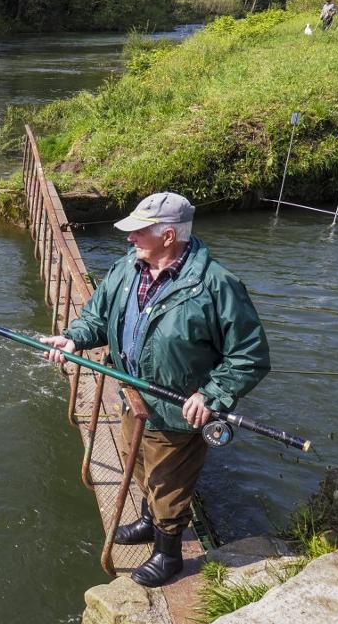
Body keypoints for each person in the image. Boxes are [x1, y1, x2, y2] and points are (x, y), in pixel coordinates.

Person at [41, 193, 270, 587]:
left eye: (138, 231)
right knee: (138, 460)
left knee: (169, 483)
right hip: (132, 397)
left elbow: (250, 355)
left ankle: (169, 554)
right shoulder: (125, 269)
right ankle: (149, 520)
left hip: (179, 411)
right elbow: (96, 316)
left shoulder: (218, 286)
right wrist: (73, 339)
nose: (129, 239)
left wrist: (212, 394)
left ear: (168, 235)